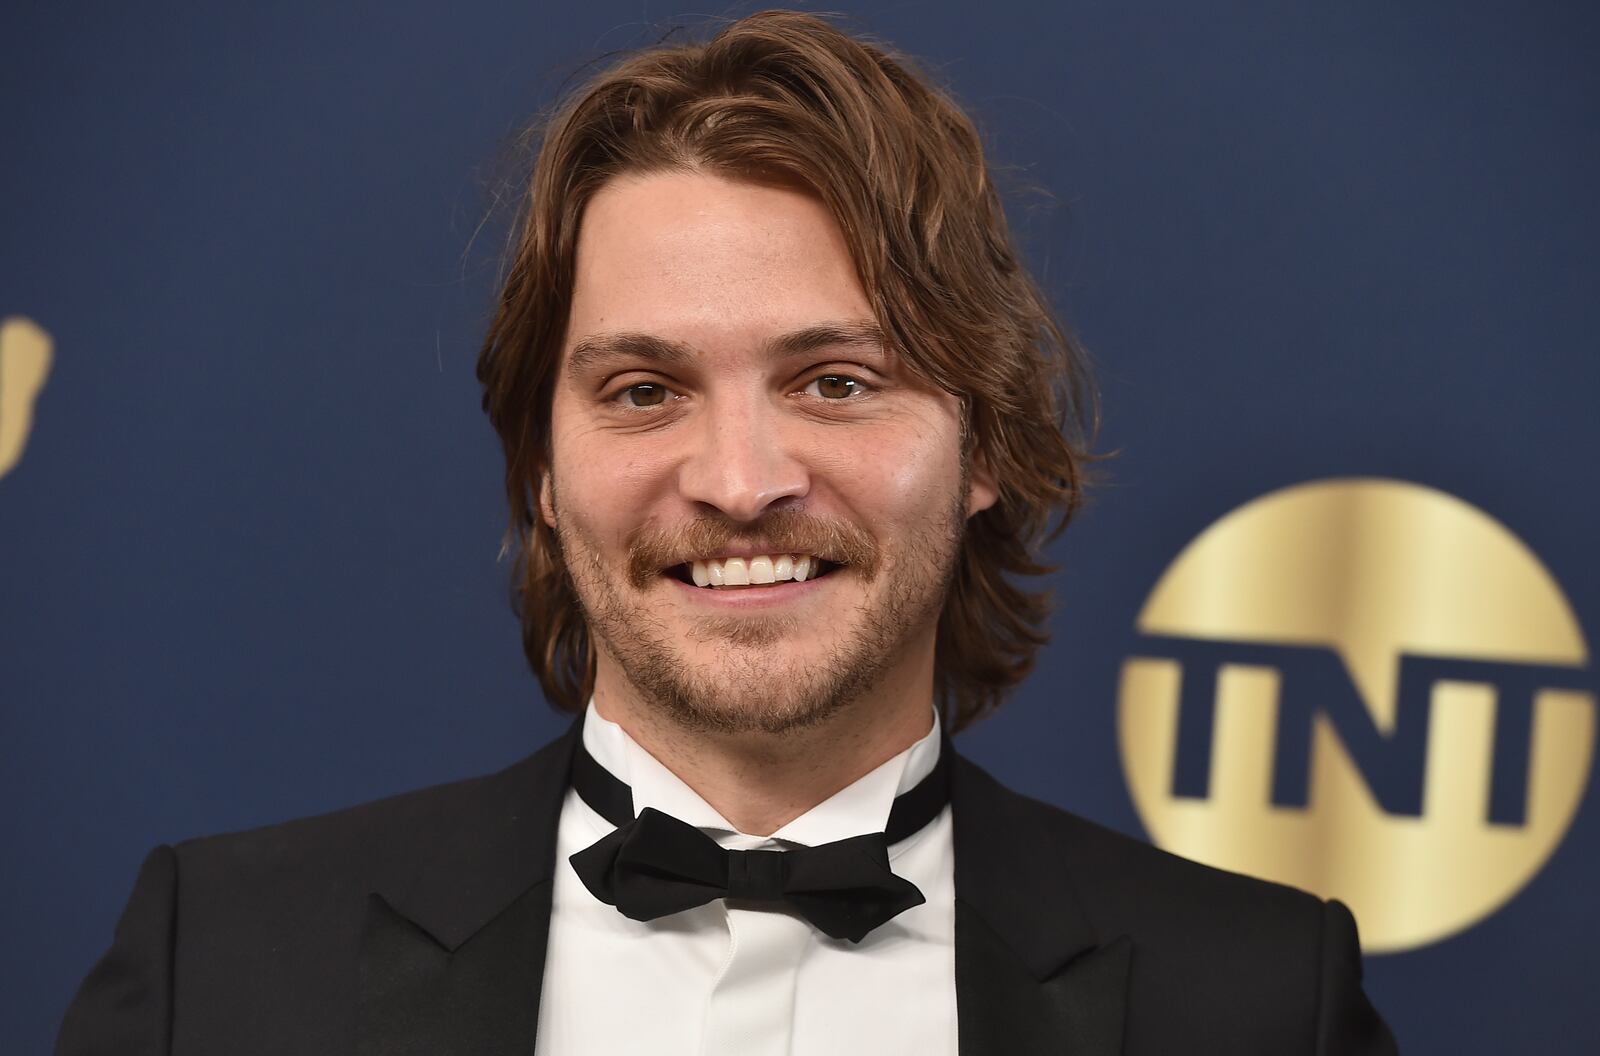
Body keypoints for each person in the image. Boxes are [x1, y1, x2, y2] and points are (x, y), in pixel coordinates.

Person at [56, 11, 1396, 1054]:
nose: (742, 480)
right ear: (540, 466)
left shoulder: (1256, 1005)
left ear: (985, 444)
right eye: (644, 393)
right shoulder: (219, 971)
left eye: (836, 382)